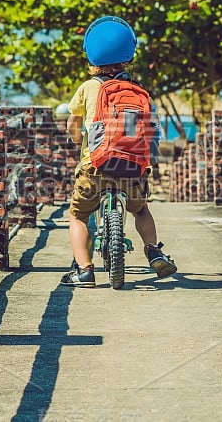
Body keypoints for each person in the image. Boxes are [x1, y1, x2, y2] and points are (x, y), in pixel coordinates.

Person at [61, 15, 177, 288]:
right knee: (141, 210)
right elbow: (151, 131)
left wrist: (77, 139)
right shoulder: (138, 90)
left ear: (90, 55)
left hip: (95, 165)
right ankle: (153, 251)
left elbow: (73, 123)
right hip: (131, 167)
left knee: (78, 215)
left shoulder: (88, 88)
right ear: (129, 55)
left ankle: (84, 270)